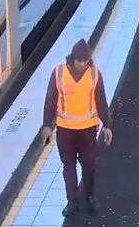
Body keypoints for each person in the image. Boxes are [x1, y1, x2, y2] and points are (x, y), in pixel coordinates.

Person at [41, 39, 113, 217]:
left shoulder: (95, 75)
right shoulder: (58, 73)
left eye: (86, 61)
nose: (83, 64)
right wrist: (47, 125)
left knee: (89, 166)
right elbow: (50, 101)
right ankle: (72, 201)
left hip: (88, 130)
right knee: (69, 166)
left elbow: (101, 101)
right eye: (80, 61)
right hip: (65, 130)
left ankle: (90, 196)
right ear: (72, 59)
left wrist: (108, 125)